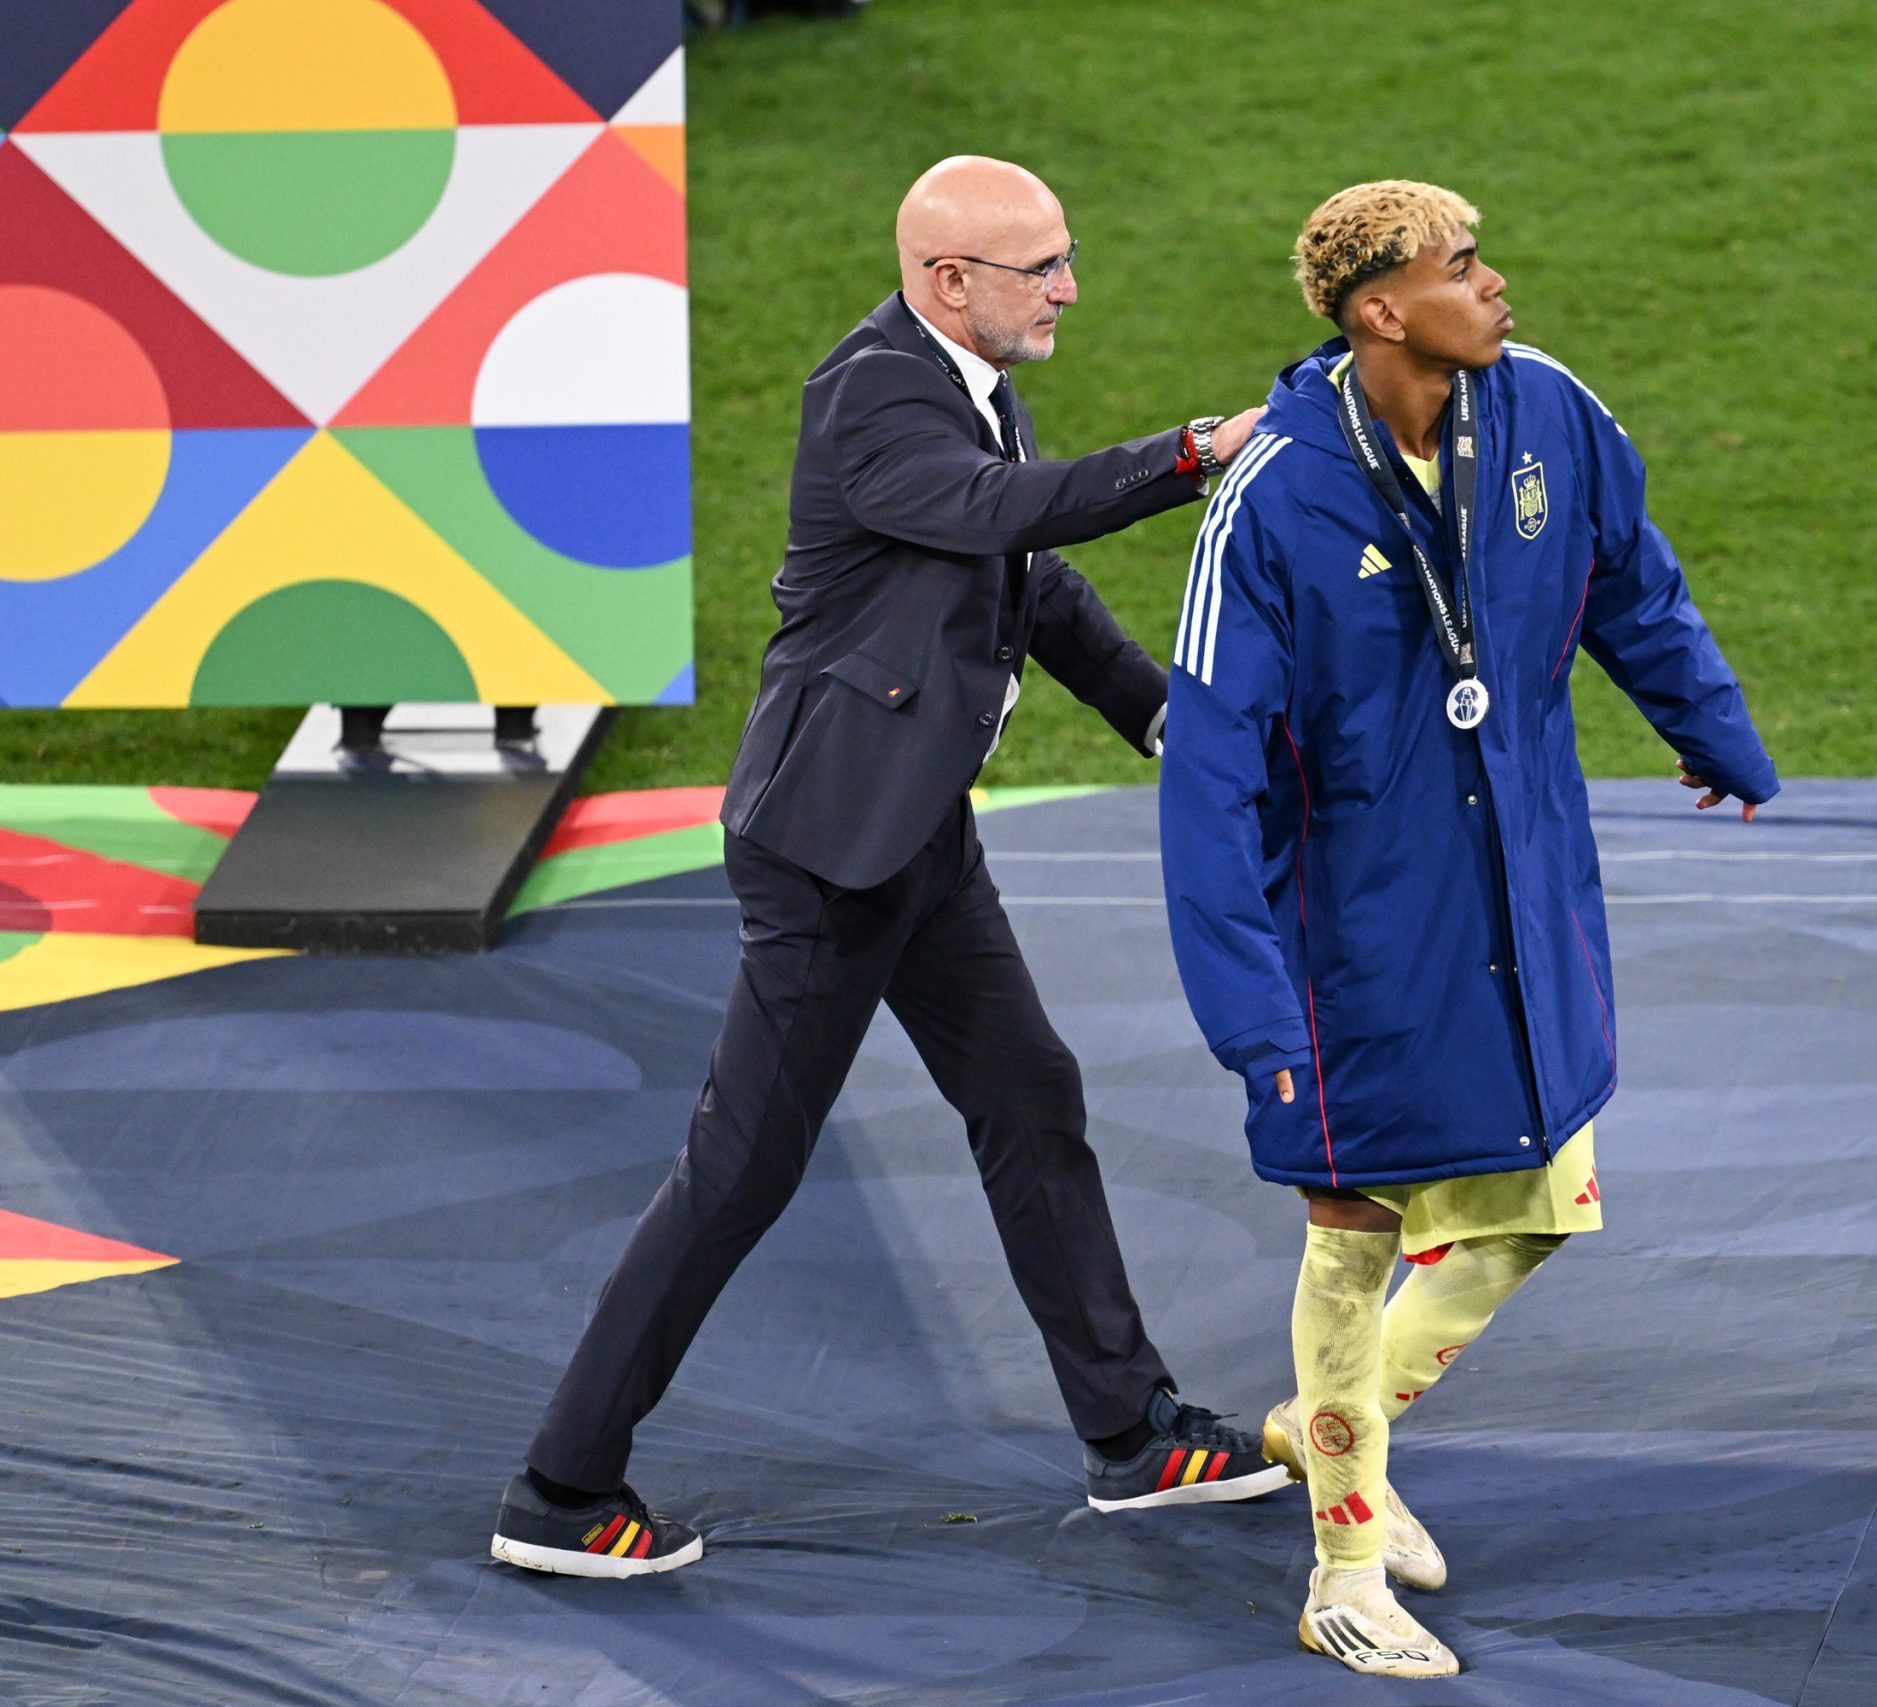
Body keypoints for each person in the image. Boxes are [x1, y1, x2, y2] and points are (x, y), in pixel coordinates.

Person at [491, 155, 1288, 1579]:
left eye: (1064, 254)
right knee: (740, 1173)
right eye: (1040, 266)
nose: (1069, 287)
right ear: (946, 280)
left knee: (1030, 1095)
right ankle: (561, 1487)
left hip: (914, 834)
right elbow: (1009, 520)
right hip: (829, 853)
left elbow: (1026, 585)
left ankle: (1129, 1436)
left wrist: (1155, 707)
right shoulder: (871, 393)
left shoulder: (963, 377)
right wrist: (1190, 454)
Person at [1156, 180, 1779, 1675]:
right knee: (1357, 1232)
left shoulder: (1546, 411)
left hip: (1522, 887)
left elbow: (1631, 581)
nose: (1495, 284)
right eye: (1461, 266)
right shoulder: (1276, 500)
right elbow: (1209, 778)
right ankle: (1343, 1570)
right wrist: (1254, 1020)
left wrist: (1715, 732)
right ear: (1380, 310)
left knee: (1539, 1205)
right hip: (1357, 933)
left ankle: (1328, 1422)